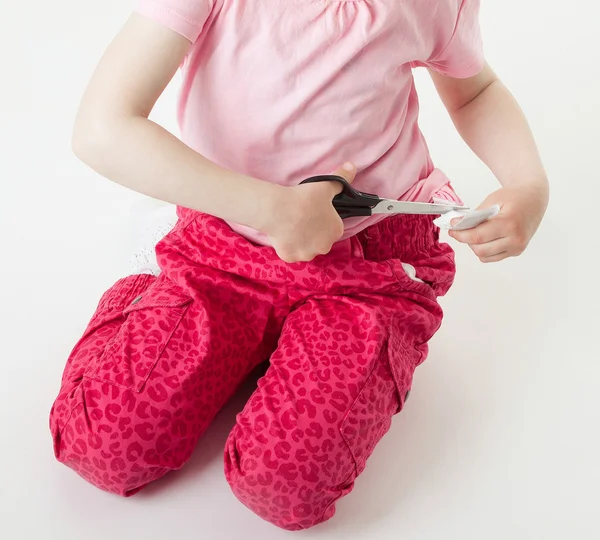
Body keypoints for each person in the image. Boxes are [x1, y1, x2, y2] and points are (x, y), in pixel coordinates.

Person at [49, 0, 548, 531]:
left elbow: (476, 91)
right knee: (102, 445)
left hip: (363, 261)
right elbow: (102, 128)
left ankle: (350, 342)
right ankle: (154, 288)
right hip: (224, 245)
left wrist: (526, 184)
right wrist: (274, 210)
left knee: (286, 486)